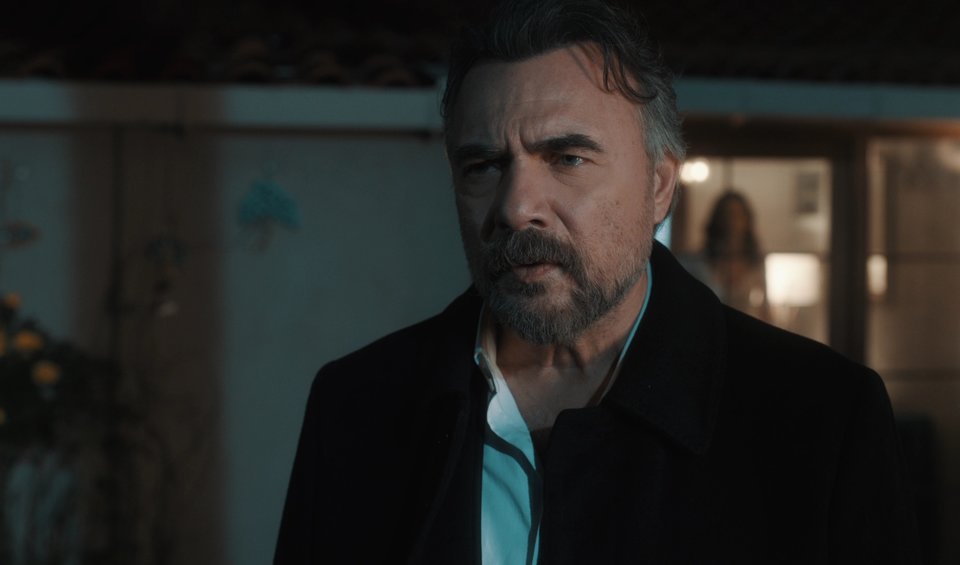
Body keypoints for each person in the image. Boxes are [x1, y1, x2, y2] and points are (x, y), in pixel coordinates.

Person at [275, 0, 920, 563]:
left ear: (659, 185)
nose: (516, 206)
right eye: (483, 166)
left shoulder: (821, 420)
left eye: (568, 158)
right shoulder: (357, 409)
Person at [702, 190, 769, 320]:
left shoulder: (755, 263)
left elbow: (764, 310)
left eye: (738, 215)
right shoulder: (702, 262)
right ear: (718, 220)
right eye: (727, 215)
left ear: (746, 220)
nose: (732, 222)